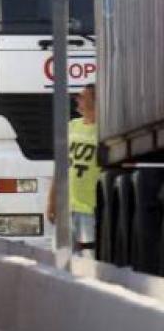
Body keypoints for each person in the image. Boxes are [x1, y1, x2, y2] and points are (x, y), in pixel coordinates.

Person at [47, 85, 99, 256]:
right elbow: (60, 167)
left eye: (82, 97)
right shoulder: (72, 126)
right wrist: (51, 201)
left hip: (90, 208)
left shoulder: (102, 130)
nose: (77, 100)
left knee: (88, 259)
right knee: (61, 257)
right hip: (67, 207)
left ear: (95, 101)